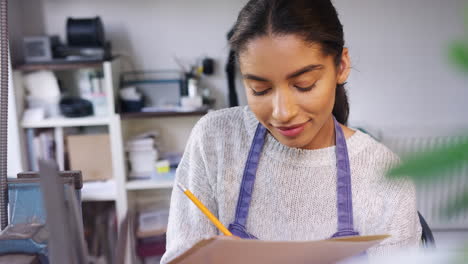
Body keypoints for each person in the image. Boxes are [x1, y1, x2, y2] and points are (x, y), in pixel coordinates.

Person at [161, 0, 422, 262]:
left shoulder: (384, 174)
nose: (282, 113)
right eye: (260, 89)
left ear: (341, 66)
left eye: (304, 85)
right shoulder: (215, 140)